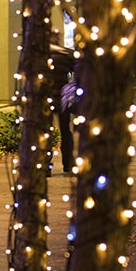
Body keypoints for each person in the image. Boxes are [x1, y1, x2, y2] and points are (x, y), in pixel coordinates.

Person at [47, 40, 76, 175]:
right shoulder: (66, 54)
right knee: (65, 131)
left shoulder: (40, 55)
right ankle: (68, 163)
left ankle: (45, 165)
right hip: (63, 97)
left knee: (46, 132)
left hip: (45, 97)